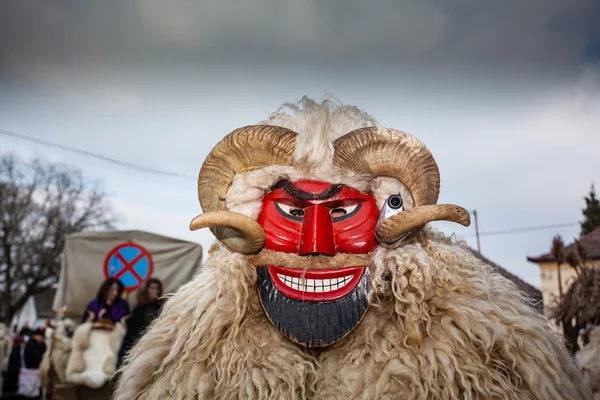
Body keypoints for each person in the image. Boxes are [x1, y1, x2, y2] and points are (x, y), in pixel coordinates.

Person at [119, 278, 164, 365]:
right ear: (146, 290)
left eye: (157, 288)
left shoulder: (161, 307)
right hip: (137, 341)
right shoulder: (139, 308)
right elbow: (134, 328)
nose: (155, 291)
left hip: (153, 342)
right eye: (152, 288)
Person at [16, 328, 46, 399]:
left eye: (43, 337)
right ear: (34, 336)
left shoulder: (40, 344)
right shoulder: (32, 345)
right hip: (31, 374)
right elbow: (36, 359)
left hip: (33, 375)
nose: (42, 339)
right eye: (41, 337)